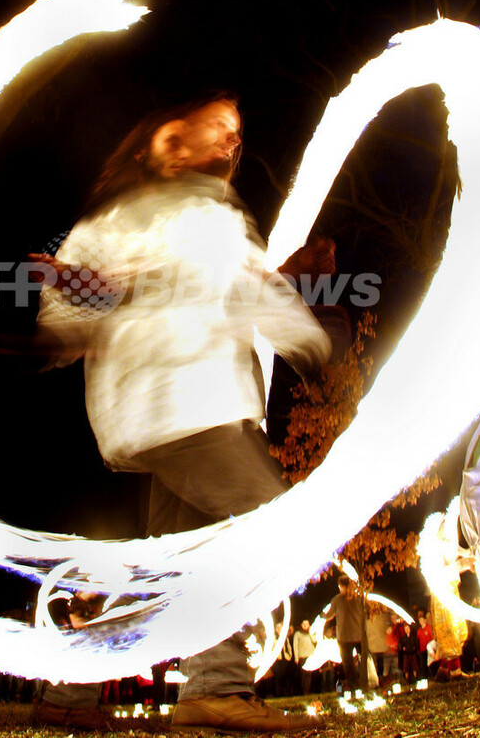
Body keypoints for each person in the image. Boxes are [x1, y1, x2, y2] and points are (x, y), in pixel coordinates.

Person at [35, 95, 333, 732]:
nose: (231, 139)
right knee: (272, 523)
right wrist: (61, 325)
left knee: (177, 565)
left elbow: (250, 291)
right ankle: (212, 686)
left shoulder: (220, 218)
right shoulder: (127, 217)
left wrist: (307, 340)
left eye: (237, 131)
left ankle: (93, 691)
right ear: (171, 141)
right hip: (169, 407)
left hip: (212, 408)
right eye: (217, 126)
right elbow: (80, 295)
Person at [322, 575, 363, 690]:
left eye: (340, 586)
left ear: (343, 586)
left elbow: (329, 615)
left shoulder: (337, 599)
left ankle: (354, 685)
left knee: (348, 664)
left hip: (344, 637)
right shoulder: (358, 598)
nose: (339, 588)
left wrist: (323, 615)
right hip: (358, 635)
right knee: (363, 659)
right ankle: (364, 681)